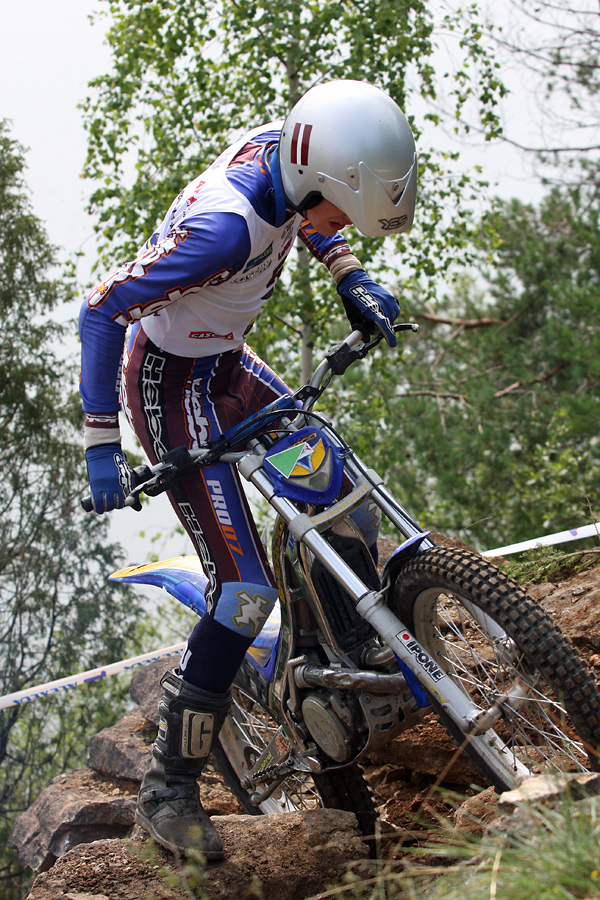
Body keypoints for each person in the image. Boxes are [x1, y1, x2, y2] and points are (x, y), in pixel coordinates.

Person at [79, 79, 417, 859]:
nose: (340, 227)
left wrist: (349, 273)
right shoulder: (221, 234)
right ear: (312, 179)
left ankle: (339, 651)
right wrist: (100, 442)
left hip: (229, 365)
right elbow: (101, 306)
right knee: (242, 593)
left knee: (336, 488)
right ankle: (169, 786)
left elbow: (309, 211)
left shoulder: (293, 151)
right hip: (169, 387)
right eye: (341, 217)